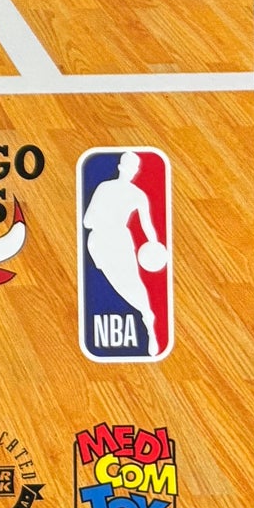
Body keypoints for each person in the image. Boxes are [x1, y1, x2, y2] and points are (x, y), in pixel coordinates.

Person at [82, 152, 169, 356]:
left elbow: (88, 221)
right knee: (122, 284)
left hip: (110, 240)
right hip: (104, 242)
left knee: (129, 282)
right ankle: (147, 317)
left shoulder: (120, 191)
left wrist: (154, 245)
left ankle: (148, 321)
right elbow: (87, 221)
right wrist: (153, 243)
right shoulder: (121, 191)